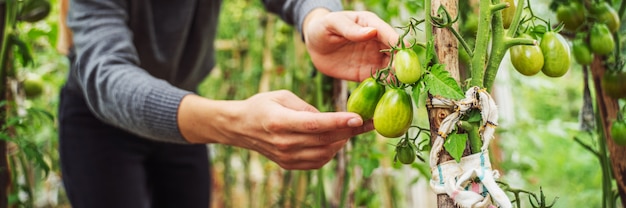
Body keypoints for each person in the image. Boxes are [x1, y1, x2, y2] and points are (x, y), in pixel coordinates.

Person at [58, 0, 400, 207]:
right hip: (100, 126)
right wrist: (232, 123)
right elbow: (105, 75)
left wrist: (316, 18)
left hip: (186, 113)